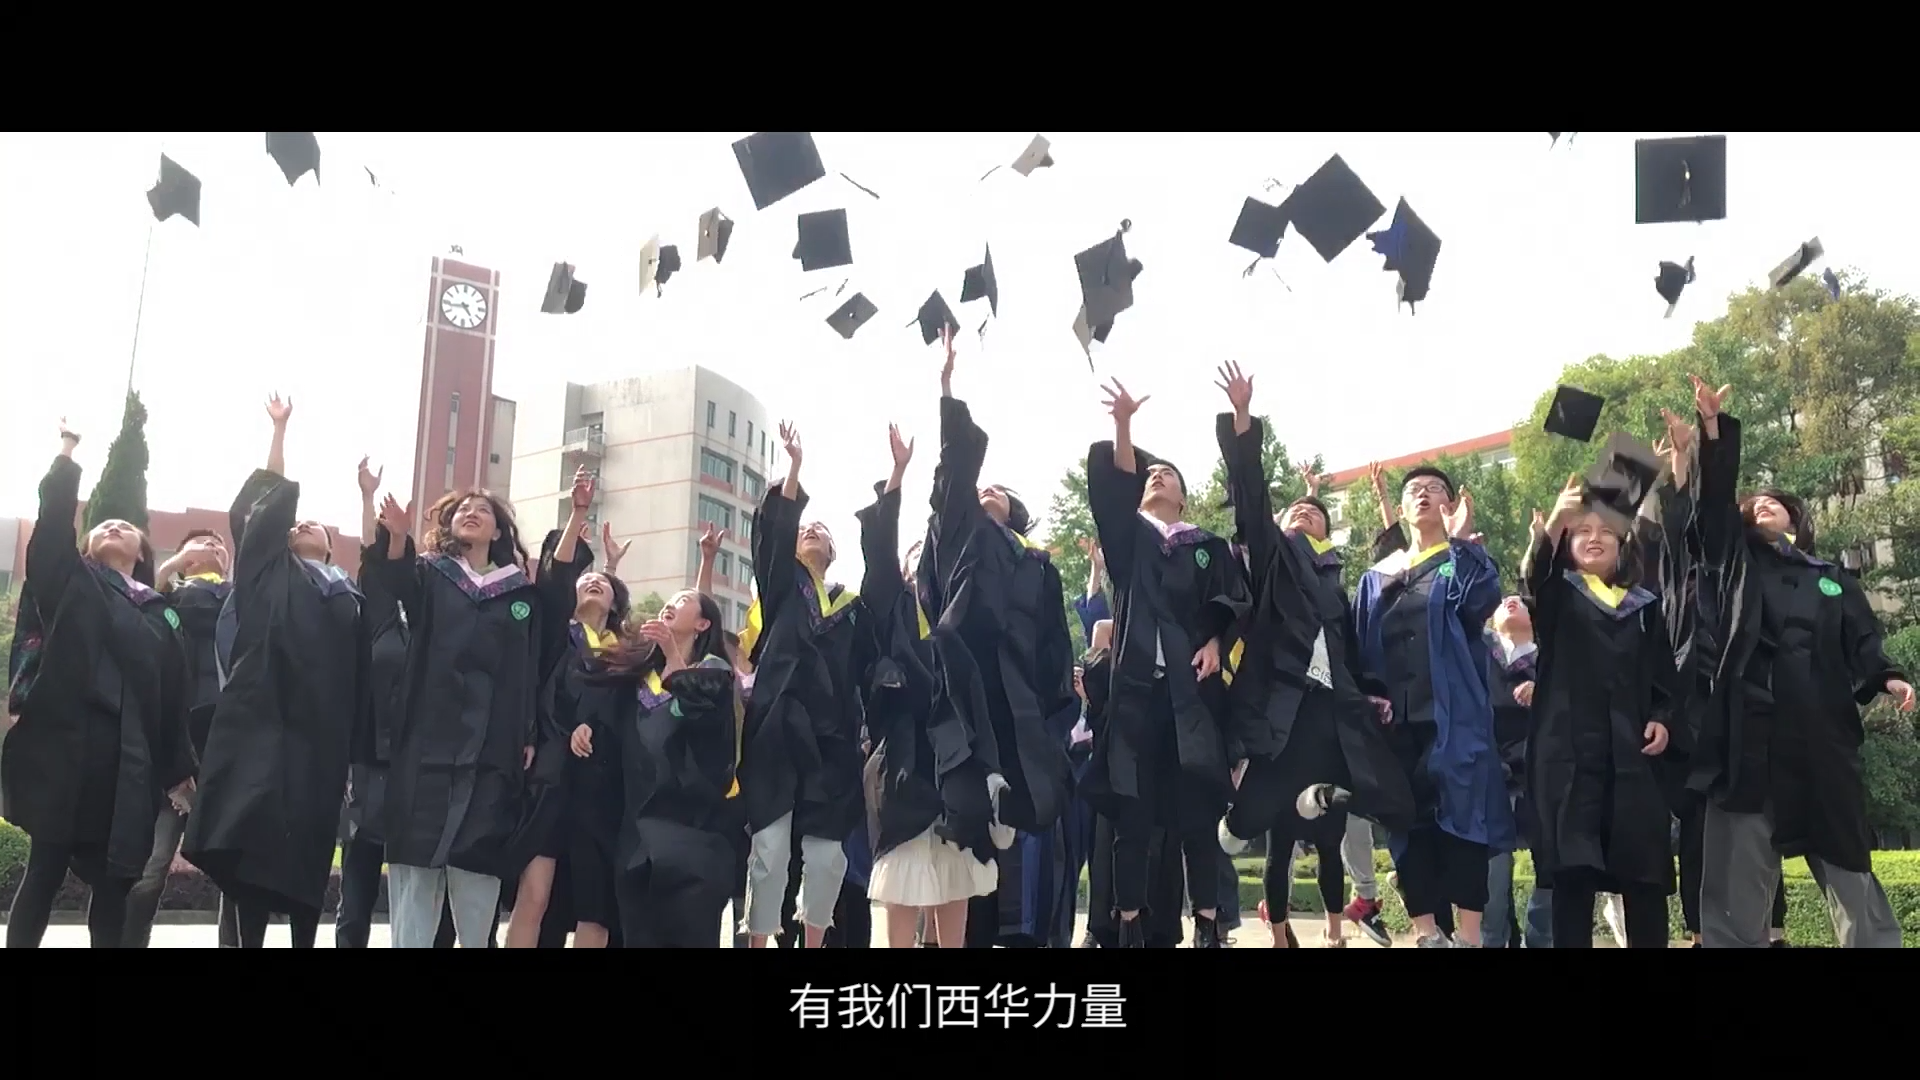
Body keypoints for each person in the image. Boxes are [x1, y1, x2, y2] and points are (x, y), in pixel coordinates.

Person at [1686, 377, 1914, 948]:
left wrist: (1889, 675)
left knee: (1848, 862)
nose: (1763, 505)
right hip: (1750, 734)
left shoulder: (1833, 579)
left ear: (1796, 519)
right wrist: (1712, 432)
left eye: (1776, 503)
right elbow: (1711, 506)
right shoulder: (1732, 563)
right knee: (1737, 876)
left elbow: (1864, 639)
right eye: (1753, 504)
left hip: (1820, 735)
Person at [1211, 361, 1414, 949]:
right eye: (1295, 510)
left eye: (1315, 511)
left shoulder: (1338, 585)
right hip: (1285, 706)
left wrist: (1371, 692)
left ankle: (1378, 902)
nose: (1304, 512)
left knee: (1390, 794)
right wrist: (1244, 421)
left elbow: (1361, 637)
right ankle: (1242, 827)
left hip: (1336, 708)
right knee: (1254, 824)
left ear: (1327, 530)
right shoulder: (1275, 561)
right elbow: (1252, 503)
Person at [366, 467, 591, 947]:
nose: (471, 513)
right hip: (425, 744)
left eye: (483, 510)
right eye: (463, 509)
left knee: (477, 864)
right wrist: (398, 535)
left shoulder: (519, 594)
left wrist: (576, 515)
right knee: (416, 869)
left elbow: (551, 608)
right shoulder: (431, 575)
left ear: (499, 531)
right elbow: (394, 578)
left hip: (493, 750)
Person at [184, 395, 371, 949]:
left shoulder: (349, 594)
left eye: (317, 525)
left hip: (319, 736)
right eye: (297, 523)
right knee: (254, 850)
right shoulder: (268, 570)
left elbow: (379, 569)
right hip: (261, 724)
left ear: (333, 550)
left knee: (308, 852)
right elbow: (263, 508)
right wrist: (280, 432)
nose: (304, 523)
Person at [3, 420, 194, 948]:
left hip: (128, 764)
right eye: (103, 524)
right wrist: (66, 455)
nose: (113, 527)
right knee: (44, 870)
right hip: (68, 749)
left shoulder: (161, 614)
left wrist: (179, 770)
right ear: (85, 545)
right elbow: (51, 530)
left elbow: (172, 698)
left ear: (143, 551)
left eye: (125, 526)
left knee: (114, 888)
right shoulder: (73, 582)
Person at [1081, 379, 1251, 948]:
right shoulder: (1129, 539)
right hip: (1135, 696)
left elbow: (1232, 600)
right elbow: (1113, 488)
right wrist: (1123, 426)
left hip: (1191, 697)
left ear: (1184, 498)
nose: (1157, 477)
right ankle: (1130, 922)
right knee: (1132, 816)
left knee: (1196, 814)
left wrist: (1215, 640)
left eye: (1168, 475)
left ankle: (1207, 923)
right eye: (1150, 474)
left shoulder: (1207, 547)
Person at [919, 336, 1076, 950]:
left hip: (1014, 685)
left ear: (1018, 513)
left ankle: (1001, 801)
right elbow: (956, 474)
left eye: (1000, 493)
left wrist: (1057, 703)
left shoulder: (1037, 564)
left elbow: (1054, 643)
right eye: (984, 490)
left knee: (1020, 810)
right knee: (963, 816)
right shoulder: (962, 532)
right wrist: (946, 389)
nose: (990, 493)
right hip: (961, 664)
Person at [1352, 463, 1514, 948]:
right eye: (1414, 490)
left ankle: (1469, 937)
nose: (1423, 494)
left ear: (1450, 504)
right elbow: (1360, 645)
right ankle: (1426, 934)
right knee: (1406, 821)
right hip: (1395, 724)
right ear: (1402, 509)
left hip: (1453, 717)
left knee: (1465, 819)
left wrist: (1459, 542)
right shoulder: (1378, 577)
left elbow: (1481, 602)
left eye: (1435, 489)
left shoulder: (1462, 559)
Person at [1521, 471, 1683, 949]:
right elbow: (1536, 575)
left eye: (1606, 532)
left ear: (1621, 545)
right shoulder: (1558, 598)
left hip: (1632, 760)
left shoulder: (1644, 606)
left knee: (1643, 876)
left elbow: (1664, 681)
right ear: (1568, 545)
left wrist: (1662, 719)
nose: (1595, 538)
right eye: (1583, 531)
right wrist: (1556, 519)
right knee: (1573, 878)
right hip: (1571, 760)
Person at [861, 429, 1000, 949]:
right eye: (918, 552)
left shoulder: (958, 613)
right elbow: (879, 553)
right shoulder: (892, 609)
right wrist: (898, 474)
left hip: (957, 762)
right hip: (905, 759)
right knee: (903, 878)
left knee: (954, 879)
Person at [737, 422, 872, 948]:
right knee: (770, 850)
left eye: (823, 531)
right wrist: (794, 468)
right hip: (777, 727)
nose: (813, 530)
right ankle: (759, 941)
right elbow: (773, 530)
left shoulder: (853, 608)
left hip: (833, 737)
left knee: (828, 856)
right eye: (805, 528)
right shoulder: (782, 587)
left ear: (835, 552)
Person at [508, 540, 631, 949]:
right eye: (585, 579)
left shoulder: (626, 656)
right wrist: (569, 731)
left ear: (616, 603)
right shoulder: (556, 637)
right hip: (553, 782)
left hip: (599, 793)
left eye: (603, 583)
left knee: (594, 908)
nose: (593, 583)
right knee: (535, 896)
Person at [602, 589, 741, 947]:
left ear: (702, 624)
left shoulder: (715, 674)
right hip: (637, 838)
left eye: (682, 601)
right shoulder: (638, 678)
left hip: (693, 835)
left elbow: (700, 714)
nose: (669, 604)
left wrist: (672, 655)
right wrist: (584, 726)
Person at [125, 528, 234, 949]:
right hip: (173, 750)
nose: (213, 546)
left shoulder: (239, 599)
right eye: (201, 543)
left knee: (236, 872)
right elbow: (135, 613)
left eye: (220, 545)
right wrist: (171, 566)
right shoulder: (164, 599)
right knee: (151, 867)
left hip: (228, 750)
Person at [336, 459, 409, 948]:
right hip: (367, 760)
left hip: (418, 764)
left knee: (413, 886)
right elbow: (371, 555)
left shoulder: (433, 618)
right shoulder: (379, 615)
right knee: (358, 879)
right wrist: (367, 498)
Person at [1081, 619, 1185, 948]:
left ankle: (1159, 928)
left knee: (1162, 836)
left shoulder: (1176, 626)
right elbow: (1098, 689)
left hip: (1165, 737)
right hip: (1121, 740)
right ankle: (1104, 926)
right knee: (1113, 837)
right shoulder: (1114, 629)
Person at [1483, 596, 1548, 947]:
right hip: (1491, 773)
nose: (1511, 601)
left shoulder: (1551, 661)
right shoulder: (1480, 655)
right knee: (1491, 872)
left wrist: (1546, 693)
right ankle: (1495, 939)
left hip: (1541, 773)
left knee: (1551, 867)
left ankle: (1539, 939)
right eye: (1504, 601)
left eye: (1520, 602)